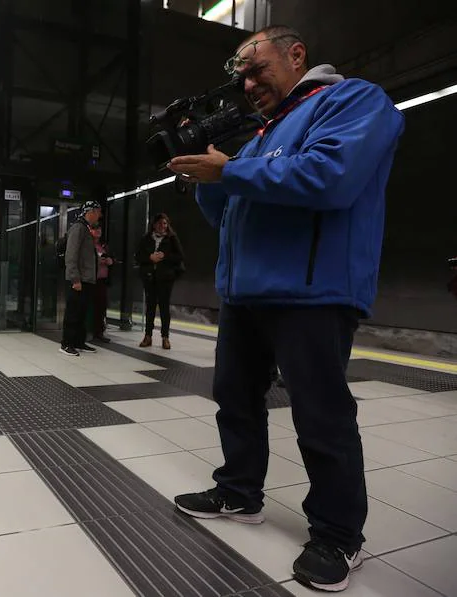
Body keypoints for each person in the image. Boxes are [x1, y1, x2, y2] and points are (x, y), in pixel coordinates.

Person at [168, 25, 405, 592]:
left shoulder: (352, 99)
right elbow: (229, 218)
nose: (248, 84)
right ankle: (239, 491)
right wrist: (209, 175)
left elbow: (331, 177)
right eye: (242, 77)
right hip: (247, 292)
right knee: (235, 397)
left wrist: (230, 170)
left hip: (312, 291)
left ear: (297, 55)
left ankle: (339, 534)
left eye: (258, 69)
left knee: (321, 414)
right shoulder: (260, 134)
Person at [135, 213, 184, 350]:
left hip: (166, 278)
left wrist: (165, 256)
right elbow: (138, 256)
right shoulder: (146, 239)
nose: (162, 226)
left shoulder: (172, 239)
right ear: (154, 224)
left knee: (164, 307)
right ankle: (148, 336)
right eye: (159, 223)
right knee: (150, 307)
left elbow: (180, 256)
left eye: (165, 224)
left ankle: (165, 337)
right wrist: (150, 257)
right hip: (150, 277)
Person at [60, 200, 102, 357]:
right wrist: (75, 279)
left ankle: (78, 341)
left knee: (82, 312)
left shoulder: (85, 228)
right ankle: (67, 343)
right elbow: (71, 255)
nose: (99, 215)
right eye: (98, 212)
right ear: (90, 212)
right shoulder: (78, 228)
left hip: (87, 279)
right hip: (79, 279)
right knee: (73, 312)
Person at [90, 224, 115, 342]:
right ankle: (88, 331)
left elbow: (112, 258)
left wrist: (110, 261)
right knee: (90, 306)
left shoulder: (103, 245)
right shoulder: (87, 244)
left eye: (99, 229)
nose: (98, 231)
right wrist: (96, 261)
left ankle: (99, 332)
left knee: (101, 306)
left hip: (102, 280)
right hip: (90, 280)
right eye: (95, 229)